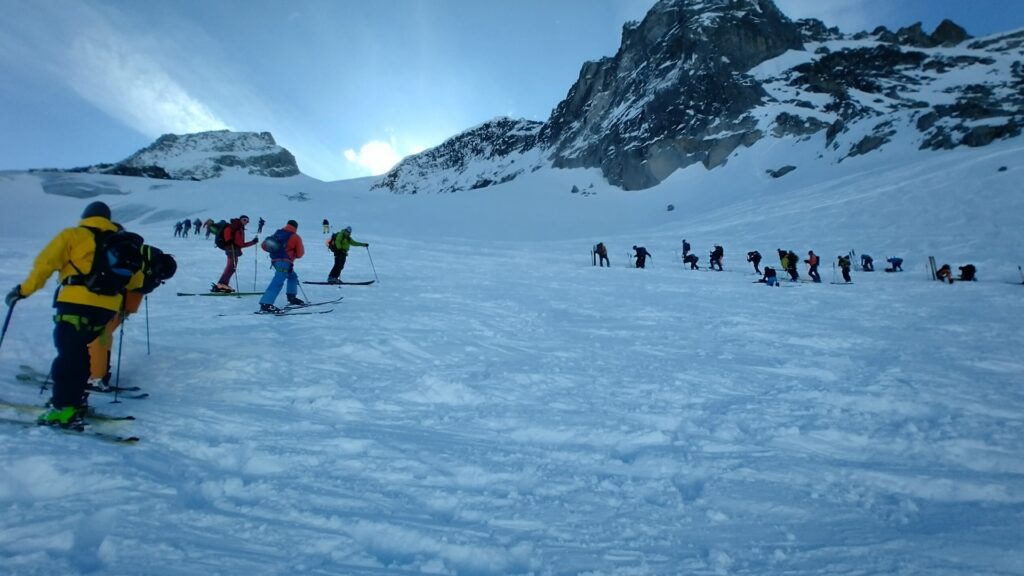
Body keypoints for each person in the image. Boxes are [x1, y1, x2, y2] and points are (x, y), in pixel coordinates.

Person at [5, 201, 144, 428]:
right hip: (107, 308)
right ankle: (76, 400)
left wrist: (22, 291)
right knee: (79, 353)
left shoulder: (74, 235)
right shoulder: (120, 242)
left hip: (76, 303)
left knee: (69, 355)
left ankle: (64, 407)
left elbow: (45, 265)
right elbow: (136, 280)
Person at [88, 244, 177, 390]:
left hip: (111, 299)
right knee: (102, 335)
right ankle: (96, 375)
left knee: (102, 334)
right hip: (120, 302)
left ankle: (96, 374)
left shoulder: (143, 256)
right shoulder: (143, 264)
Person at [258, 220, 305, 313]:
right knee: (278, 280)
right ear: (296, 227)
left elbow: (264, 245)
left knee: (292, 276)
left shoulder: (278, 233)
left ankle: (291, 297)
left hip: (275, 261)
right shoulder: (295, 237)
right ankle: (266, 304)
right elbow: (300, 254)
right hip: (285, 261)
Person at [212, 215, 258, 293]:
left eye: (247, 221)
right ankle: (221, 284)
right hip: (231, 248)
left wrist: (253, 242)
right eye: (244, 220)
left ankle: (223, 284)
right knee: (231, 267)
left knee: (232, 267)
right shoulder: (235, 225)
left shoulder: (240, 228)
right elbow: (227, 230)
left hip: (234, 249)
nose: (246, 222)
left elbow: (241, 244)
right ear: (240, 219)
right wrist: (229, 241)